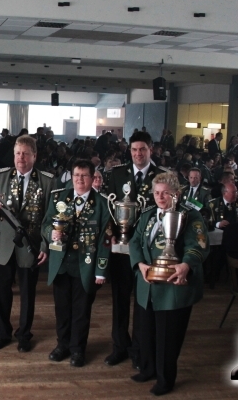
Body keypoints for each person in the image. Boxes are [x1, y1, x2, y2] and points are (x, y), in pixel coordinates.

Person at [129, 171, 209, 395]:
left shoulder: (190, 215)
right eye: (156, 193)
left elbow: (199, 244)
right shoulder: (148, 214)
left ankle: (165, 380)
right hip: (148, 284)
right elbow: (135, 242)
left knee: (168, 337)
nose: (160, 197)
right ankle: (147, 368)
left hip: (174, 286)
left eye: (165, 193)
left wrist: (186, 264)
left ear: (176, 194)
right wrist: (140, 265)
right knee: (146, 331)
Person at [0, 135, 56, 352]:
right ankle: (2, 333)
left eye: (25, 154)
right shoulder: (1, 177)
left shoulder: (47, 181)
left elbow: (50, 218)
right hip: (4, 245)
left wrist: (45, 246)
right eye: (18, 153)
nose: (21, 158)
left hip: (30, 245)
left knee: (27, 293)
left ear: (34, 156)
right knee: (2, 292)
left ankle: (24, 334)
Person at [105, 131, 165, 370]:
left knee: (143, 303)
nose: (138, 154)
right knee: (120, 300)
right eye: (134, 150)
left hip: (148, 251)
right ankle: (119, 346)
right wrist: (111, 233)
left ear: (151, 149)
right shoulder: (117, 173)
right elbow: (110, 209)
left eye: (142, 149)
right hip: (122, 248)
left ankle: (140, 351)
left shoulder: (162, 176)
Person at [42, 160, 111, 367]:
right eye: (76, 175)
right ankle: (62, 345)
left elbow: (105, 240)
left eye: (84, 175)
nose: (80, 179)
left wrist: (100, 270)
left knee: (81, 311)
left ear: (92, 178)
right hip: (61, 263)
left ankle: (78, 349)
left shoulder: (102, 204)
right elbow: (45, 224)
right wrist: (51, 233)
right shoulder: (58, 197)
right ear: (71, 177)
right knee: (62, 309)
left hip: (85, 265)